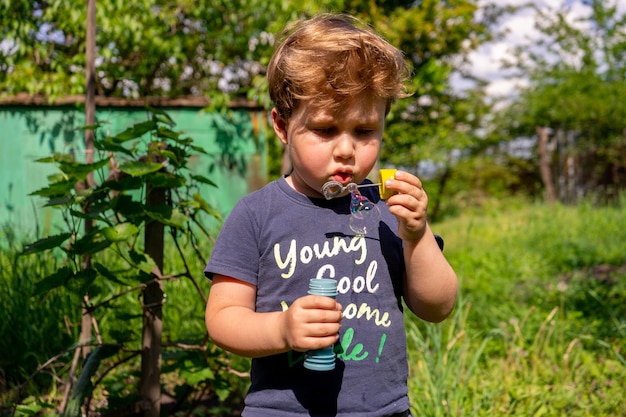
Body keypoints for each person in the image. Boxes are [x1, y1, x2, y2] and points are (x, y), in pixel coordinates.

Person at [204, 13, 458, 417]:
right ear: (283, 126)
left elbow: (437, 306)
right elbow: (222, 318)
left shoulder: (386, 209)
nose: (346, 149)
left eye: (364, 131)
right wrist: (280, 330)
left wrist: (417, 234)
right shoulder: (257, 213)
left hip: (383, 410)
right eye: (325, 130)